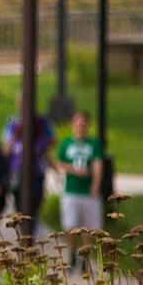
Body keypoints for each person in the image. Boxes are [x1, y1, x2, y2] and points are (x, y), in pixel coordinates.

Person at [53, 111, 103, 266]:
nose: (80, 126)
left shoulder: (93, 144)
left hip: (88, 192)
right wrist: (74, 169)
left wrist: (96, 184)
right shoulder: (66, 144)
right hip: (71, 190)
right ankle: (72, 251)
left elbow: (97, 165)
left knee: (89, 228)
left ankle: (85, 258)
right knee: (70, 226)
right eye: (77, 123)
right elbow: (59, 163)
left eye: (83, 123)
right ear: (72, 125)